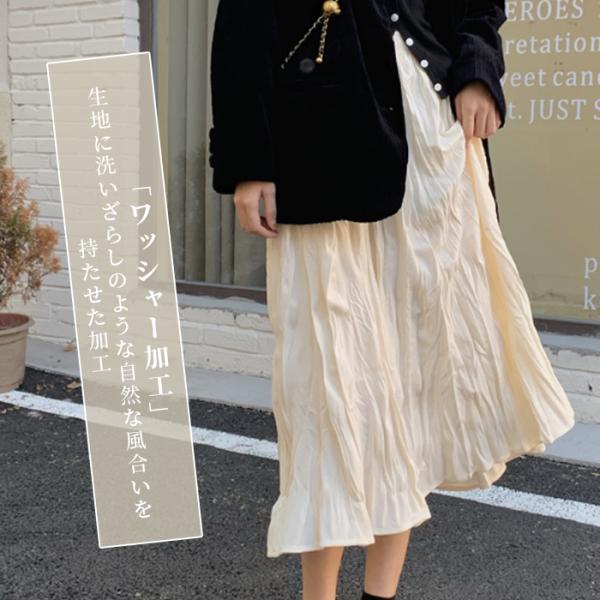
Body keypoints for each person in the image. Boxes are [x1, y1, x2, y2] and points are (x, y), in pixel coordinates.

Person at [209, 2, 576, 599]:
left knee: (414, 384)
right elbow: (243, 29)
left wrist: (478, 70)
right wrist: (248, 162)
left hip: (431, 146)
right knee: (329, 388)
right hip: (321, 154)